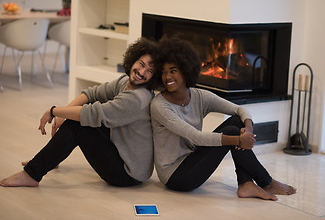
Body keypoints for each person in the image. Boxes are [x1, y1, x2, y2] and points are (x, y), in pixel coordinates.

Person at [150, 36, 296, 201]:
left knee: (237, 121)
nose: (167, 76)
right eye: (163, 72)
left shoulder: (199, 96)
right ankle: (265, 181)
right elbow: (195, 136)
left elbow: (239, 109)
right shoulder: (159, 106)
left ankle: (246, 183)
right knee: (233, 132)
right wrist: (238, 140)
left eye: (173, 70)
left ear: (185, 69)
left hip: (192, 159)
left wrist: (248, 128)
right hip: (176, 176)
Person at [1, 37, 159, 187]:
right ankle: (51, 158)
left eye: (150, 70)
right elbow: (92, 93)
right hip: (123, 153)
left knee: (79, 125)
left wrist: (54, 111)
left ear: (153, 77)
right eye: (141, 64)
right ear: (133, 60)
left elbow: (91, 114)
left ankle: (32, 174)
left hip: (128, 174)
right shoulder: (125, 82)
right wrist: (64, 113)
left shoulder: (137, 98)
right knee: (82, 113)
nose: (142, 71)